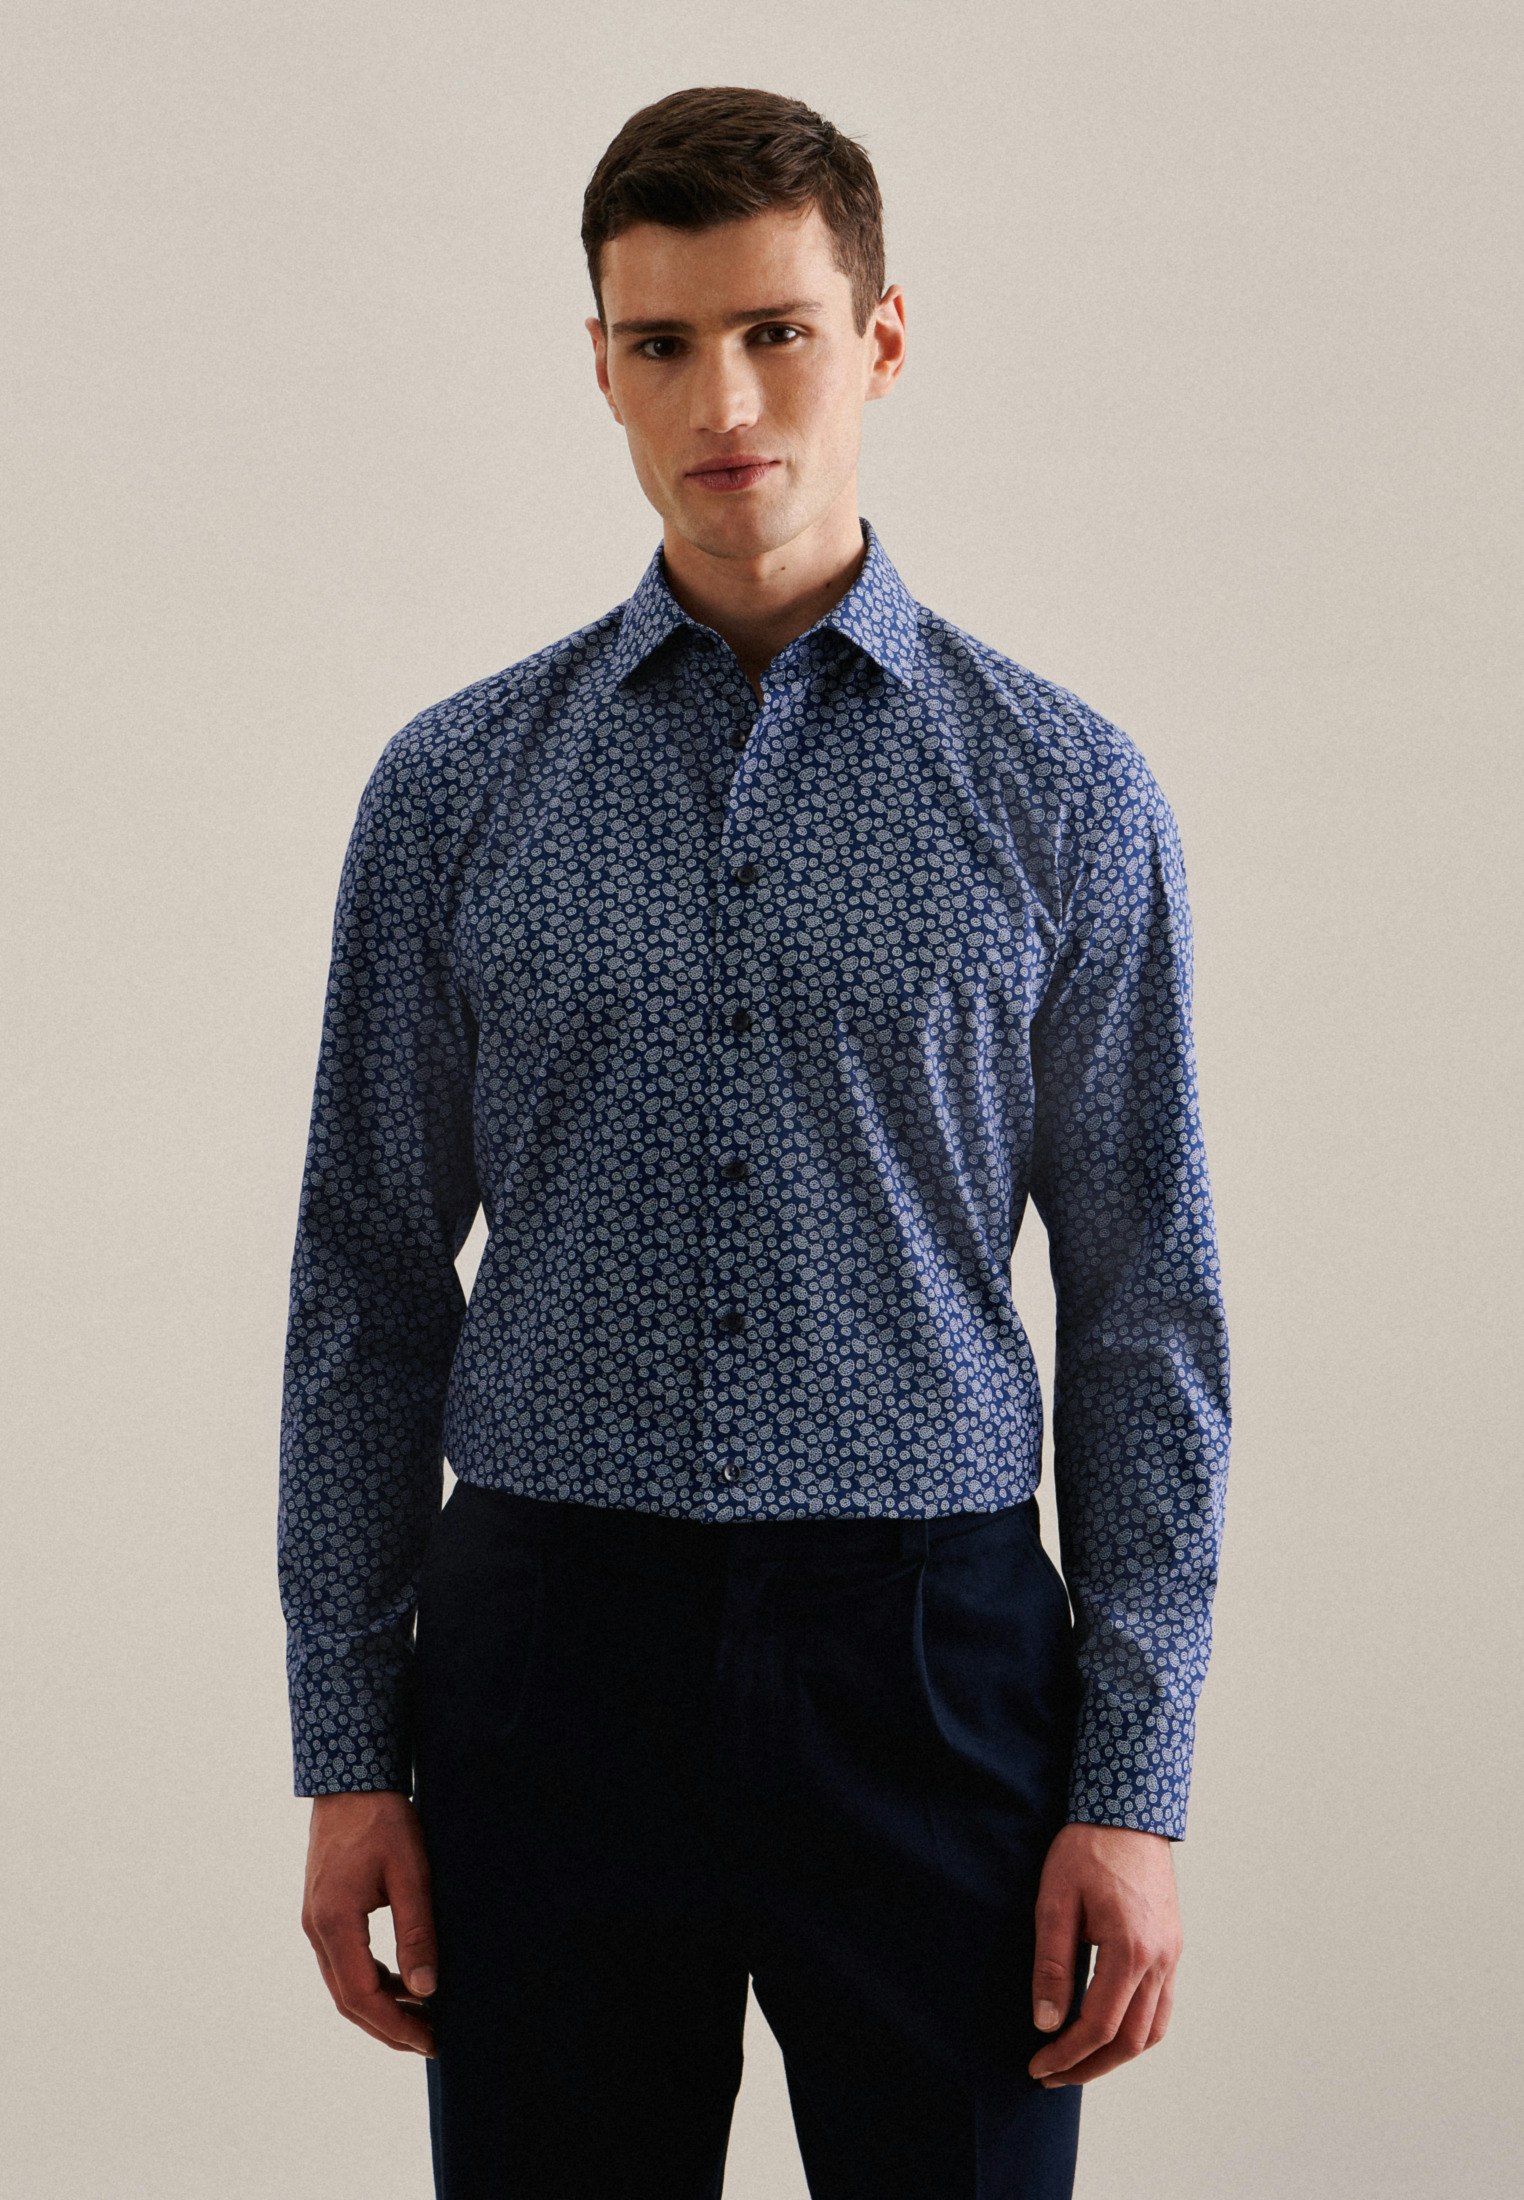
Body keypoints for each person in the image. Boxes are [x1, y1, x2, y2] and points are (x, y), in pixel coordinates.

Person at [278, 83, 1232, 2200]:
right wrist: (348, 1747)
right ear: (600, 363)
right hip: (547, 1665)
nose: (723, 400)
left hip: (935, 1667)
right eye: (664, 341)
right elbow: (366, 1283)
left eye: (776, 330)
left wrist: (1134, 1782)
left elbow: (1146, 1307)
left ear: (880, 338)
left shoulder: (1065, 795)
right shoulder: (455, 790)